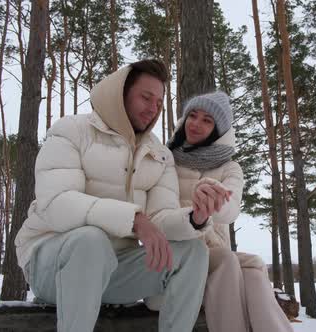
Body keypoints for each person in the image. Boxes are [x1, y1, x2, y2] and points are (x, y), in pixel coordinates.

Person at [15, 60, 227, 332]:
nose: (152, 109)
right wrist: (135, 219)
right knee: (90, 240)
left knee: (194, 252)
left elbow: (160, 220)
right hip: (55, 264)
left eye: (159, 103)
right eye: (145, 97)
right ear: (121, 93)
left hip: (116, 270)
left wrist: (195, 218)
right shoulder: (71, 131)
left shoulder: (159, 155)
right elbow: (57, 204)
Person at [165, 91, 294, 332]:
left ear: (217, 129)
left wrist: (213, 198)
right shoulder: (166, 158)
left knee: (254, 269)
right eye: (192, 115)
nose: (196, 124)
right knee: (238, 262)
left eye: (207, 120)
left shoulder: (229, 167)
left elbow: (230, 210)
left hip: (214, 251)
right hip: (178, 252)